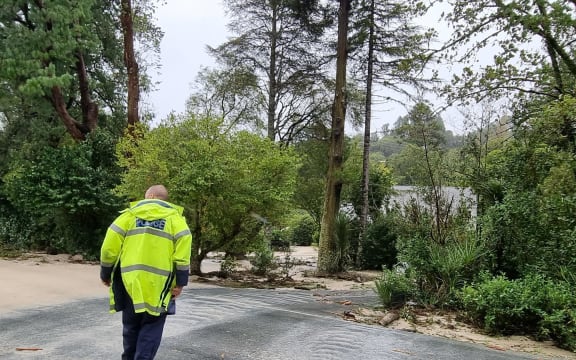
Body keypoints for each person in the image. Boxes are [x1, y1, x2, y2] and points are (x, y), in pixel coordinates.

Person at [100, 185, 192, 360]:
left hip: (130, 282)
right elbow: (182, 257)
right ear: (164, 199)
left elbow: (108, 248)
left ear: (149, 196)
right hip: (160, 286)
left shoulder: (128, 216)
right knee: (151, 326)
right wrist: (180, 283)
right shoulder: (177, 221)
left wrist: (105, 273)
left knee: (130, 326)